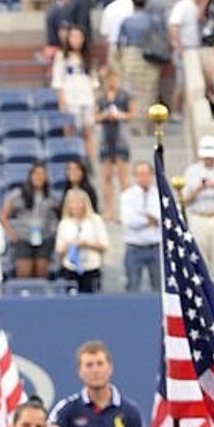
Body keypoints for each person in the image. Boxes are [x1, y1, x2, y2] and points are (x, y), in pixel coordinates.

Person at [183, 135, 214, 289]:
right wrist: (199, 188)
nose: (208, 159)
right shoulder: (191, 171)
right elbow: (185, 199)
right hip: (198, 216)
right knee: (200, 260)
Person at [1, 161, 58, 280]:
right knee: (24, 274)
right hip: (24, 238)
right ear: (30, 176)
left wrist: (54, 232)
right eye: (36, 173)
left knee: (42, 274)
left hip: (44, 238)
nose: (39, 177)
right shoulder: (18, 194)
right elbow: (4, 215)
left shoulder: (52, 196)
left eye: (42, 174)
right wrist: (12, 234)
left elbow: (60, 215)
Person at [51, 25, 96, 162]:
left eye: (79, 37)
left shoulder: (88, 57)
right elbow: (58, 81)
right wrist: (61, 101)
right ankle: (72, 160)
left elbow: (94, 82)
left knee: (88, 132)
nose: (76, 40)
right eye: (73, 36)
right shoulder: (61, 57)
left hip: (87, 99)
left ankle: (90, 162)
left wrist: (96, 102)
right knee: (70, 131)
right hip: (70, 99)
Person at [95, 66, 134, 219]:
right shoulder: (100, 97)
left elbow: (131, 114)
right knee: (106, 176)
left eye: (113, 79)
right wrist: (104, 115)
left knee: (123, 177)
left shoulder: (125, 95)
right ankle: (109, 209)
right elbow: (95, 116)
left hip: (120, 136)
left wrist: (119, 115)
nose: (111, 82)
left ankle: (126, 209)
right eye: (108, 79)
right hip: (105, 136)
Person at [56, 188, 108, 293]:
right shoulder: (64, 223)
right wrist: (70, 245)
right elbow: (59, 249)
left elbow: (104, 245)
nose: (76, 205)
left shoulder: (95, 220)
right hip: (71, 268)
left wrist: (86, 244)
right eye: (73, 202)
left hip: (91, 267)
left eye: (79, 202)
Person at [120, 160, 162, 292]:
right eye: (140, 174)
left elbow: (161, 217)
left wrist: (144, 216)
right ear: (135, 176)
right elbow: (129, 221)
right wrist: (149, 220)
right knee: (132, 286)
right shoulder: (127, 196)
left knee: (159, 287)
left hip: (155, 247)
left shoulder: (160, 195)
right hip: (134, 247)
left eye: (146, 174)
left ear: (151, 175)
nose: (144, 177)